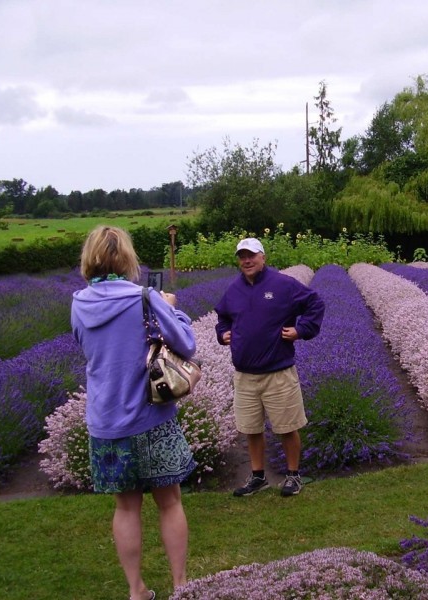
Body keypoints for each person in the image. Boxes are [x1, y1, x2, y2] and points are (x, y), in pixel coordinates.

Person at [71, 226, 197, 600]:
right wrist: (173, 310)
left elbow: (86, 347)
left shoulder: (79, 303)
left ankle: (136, 590)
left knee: (126, 508)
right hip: (151, 418)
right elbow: (186, 345)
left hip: (106, 424)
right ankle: (180, 586)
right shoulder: (144, 297)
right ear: (127, 257)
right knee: (170, 501)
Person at [215, 237, 325, 498]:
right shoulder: (233, 290)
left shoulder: (283, 285)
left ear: (263, 257)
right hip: (245, 375)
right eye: (242, 256)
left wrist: (301, 330)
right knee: (251, 429)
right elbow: (222, 317)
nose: (247, 260)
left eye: (251, 255)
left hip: (278, 372)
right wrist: (223, 334)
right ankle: (257, 477)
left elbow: (315, 303)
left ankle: (293, 475)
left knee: (288, 427)